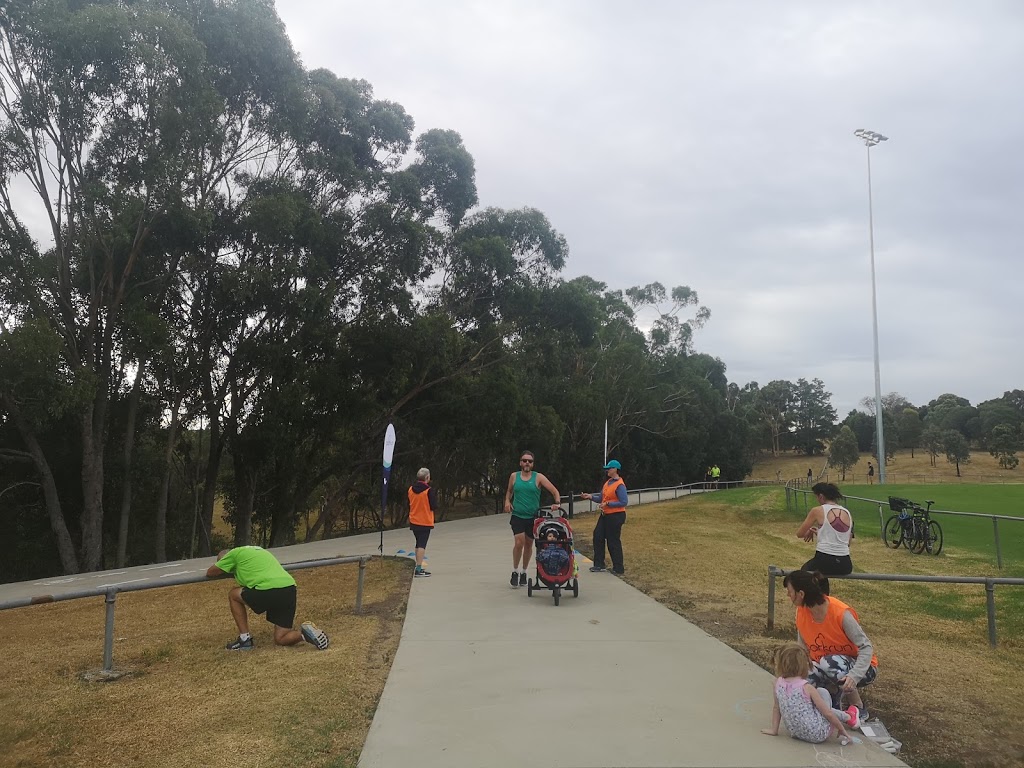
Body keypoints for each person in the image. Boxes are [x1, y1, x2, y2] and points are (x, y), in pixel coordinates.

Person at [783, 570, 877, 719]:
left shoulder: (840, 613)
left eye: (790, 592)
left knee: (829, 663)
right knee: (802, 677)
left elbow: (866, 647)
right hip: (827, 664)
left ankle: (858, 707)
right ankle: (830, 700)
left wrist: (854, 676)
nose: (788, 596)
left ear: (801, 594)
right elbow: (802, 649)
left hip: (863, 669)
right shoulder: (801, 613)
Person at [206, 545, 329, 651]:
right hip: (289, 588)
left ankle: (245, 639)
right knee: (281, 638)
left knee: (233, 594)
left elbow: (211, 572)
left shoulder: (233, 554)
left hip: (268, 589)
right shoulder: (257, 551)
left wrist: (225, 569)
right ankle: (305, 635)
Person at [760, 641, 858, 745]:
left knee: (813, 704)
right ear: (805, 665)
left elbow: (777, 707)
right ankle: (848, 717)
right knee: (822, 692)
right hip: (819, 734)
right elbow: (827, 713)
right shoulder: (806, 687)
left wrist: (774, 730)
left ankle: (847, 716)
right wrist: (841, 729)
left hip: (795, 733)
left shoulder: (777, 683)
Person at [504, 451, 561, 588]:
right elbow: (509, 491)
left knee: (529, 544)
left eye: (530, 461)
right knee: (519, 542)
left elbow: (554, 491)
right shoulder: (514, 476)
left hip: (533, 517)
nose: (527, 463)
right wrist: (507, 501)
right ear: (520, 462)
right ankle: (515, 571)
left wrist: (557, 503)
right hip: (517, 515)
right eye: (524, 460)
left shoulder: (538, 477)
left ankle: (524, 571)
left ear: (533, 464)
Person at [796, 482, 853, 595]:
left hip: (825, 560)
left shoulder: (817, 510)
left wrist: (809, 530)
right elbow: (847, 542)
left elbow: (800, 533)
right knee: (820, 573)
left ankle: (815, 601)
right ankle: (825, 600)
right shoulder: (847, 512)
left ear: (821, 496)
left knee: (806, 571)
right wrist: (820, 533)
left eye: (817, 497)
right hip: (845, 564)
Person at [581, 459, 628, 574]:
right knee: (598, 536)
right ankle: (599, 564)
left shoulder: (620, 485)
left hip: (616, 516)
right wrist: (590, 496)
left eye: (609, 468)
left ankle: (618, 567)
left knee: (613, 541)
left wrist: (608, 504)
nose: (607, 470)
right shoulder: (607, 483)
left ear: (616, 469)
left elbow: (624, 502)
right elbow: (601, 498)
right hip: (605, 515)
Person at [408, 467, 438, 578]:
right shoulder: (428, 490)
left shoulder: (410, 489)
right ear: (427, 477)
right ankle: (419, 569)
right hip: (424, 521)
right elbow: (433, 505)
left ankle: (418, 566)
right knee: (422, 545)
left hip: (414, 520)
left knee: (418, 543)